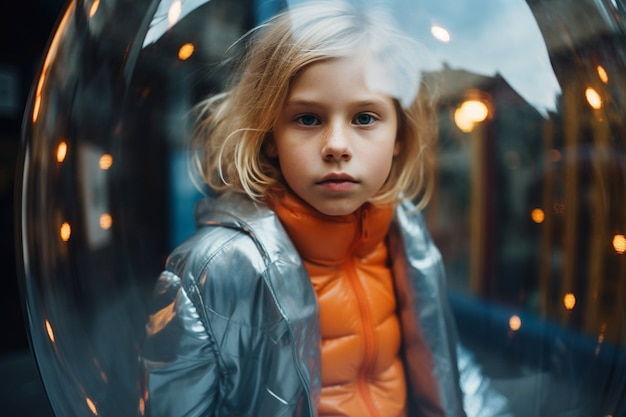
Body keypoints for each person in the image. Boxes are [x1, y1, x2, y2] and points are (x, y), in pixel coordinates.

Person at [141, 1, 511, 416]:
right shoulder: (217, 268)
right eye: (308, 119)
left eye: (365, 118)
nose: (337, 145)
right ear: (269, 137)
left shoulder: (404, 236)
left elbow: (445, 359)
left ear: (400, 137)